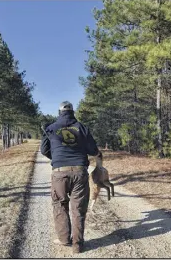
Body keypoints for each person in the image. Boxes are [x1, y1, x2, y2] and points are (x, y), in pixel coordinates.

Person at [40, 101, 99, 254]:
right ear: (73, 112)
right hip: (80, 171)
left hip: (59, 172)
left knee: (59, 205)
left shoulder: (51, 128)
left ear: (59, 113)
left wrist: (57, 157)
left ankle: (64, 239)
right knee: (78, 208)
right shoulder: (82, 127)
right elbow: (93, 150)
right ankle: (77, 245)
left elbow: (44, 150)